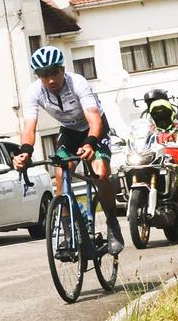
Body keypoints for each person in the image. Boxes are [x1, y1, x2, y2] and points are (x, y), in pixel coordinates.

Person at [11, 46, 123, 254]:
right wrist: (24, 151)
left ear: (63, 69)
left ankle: (113, 223)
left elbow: (94, 120)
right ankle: (69, 234)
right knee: (61, 174)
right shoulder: (34, 92)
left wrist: (89, 143)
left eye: (54, 72)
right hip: (69, 132)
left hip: (94, 129)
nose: (51, 79)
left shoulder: (77, 82)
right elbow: (29, 128)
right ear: (38, 76)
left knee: (100, 173)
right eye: (45, 75)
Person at [140, 91, 178, 213]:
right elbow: (138, 139)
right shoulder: (149, 128)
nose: (160, 116)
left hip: (172, 163)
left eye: (163, 112)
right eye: (156, 113)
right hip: (152, 162)